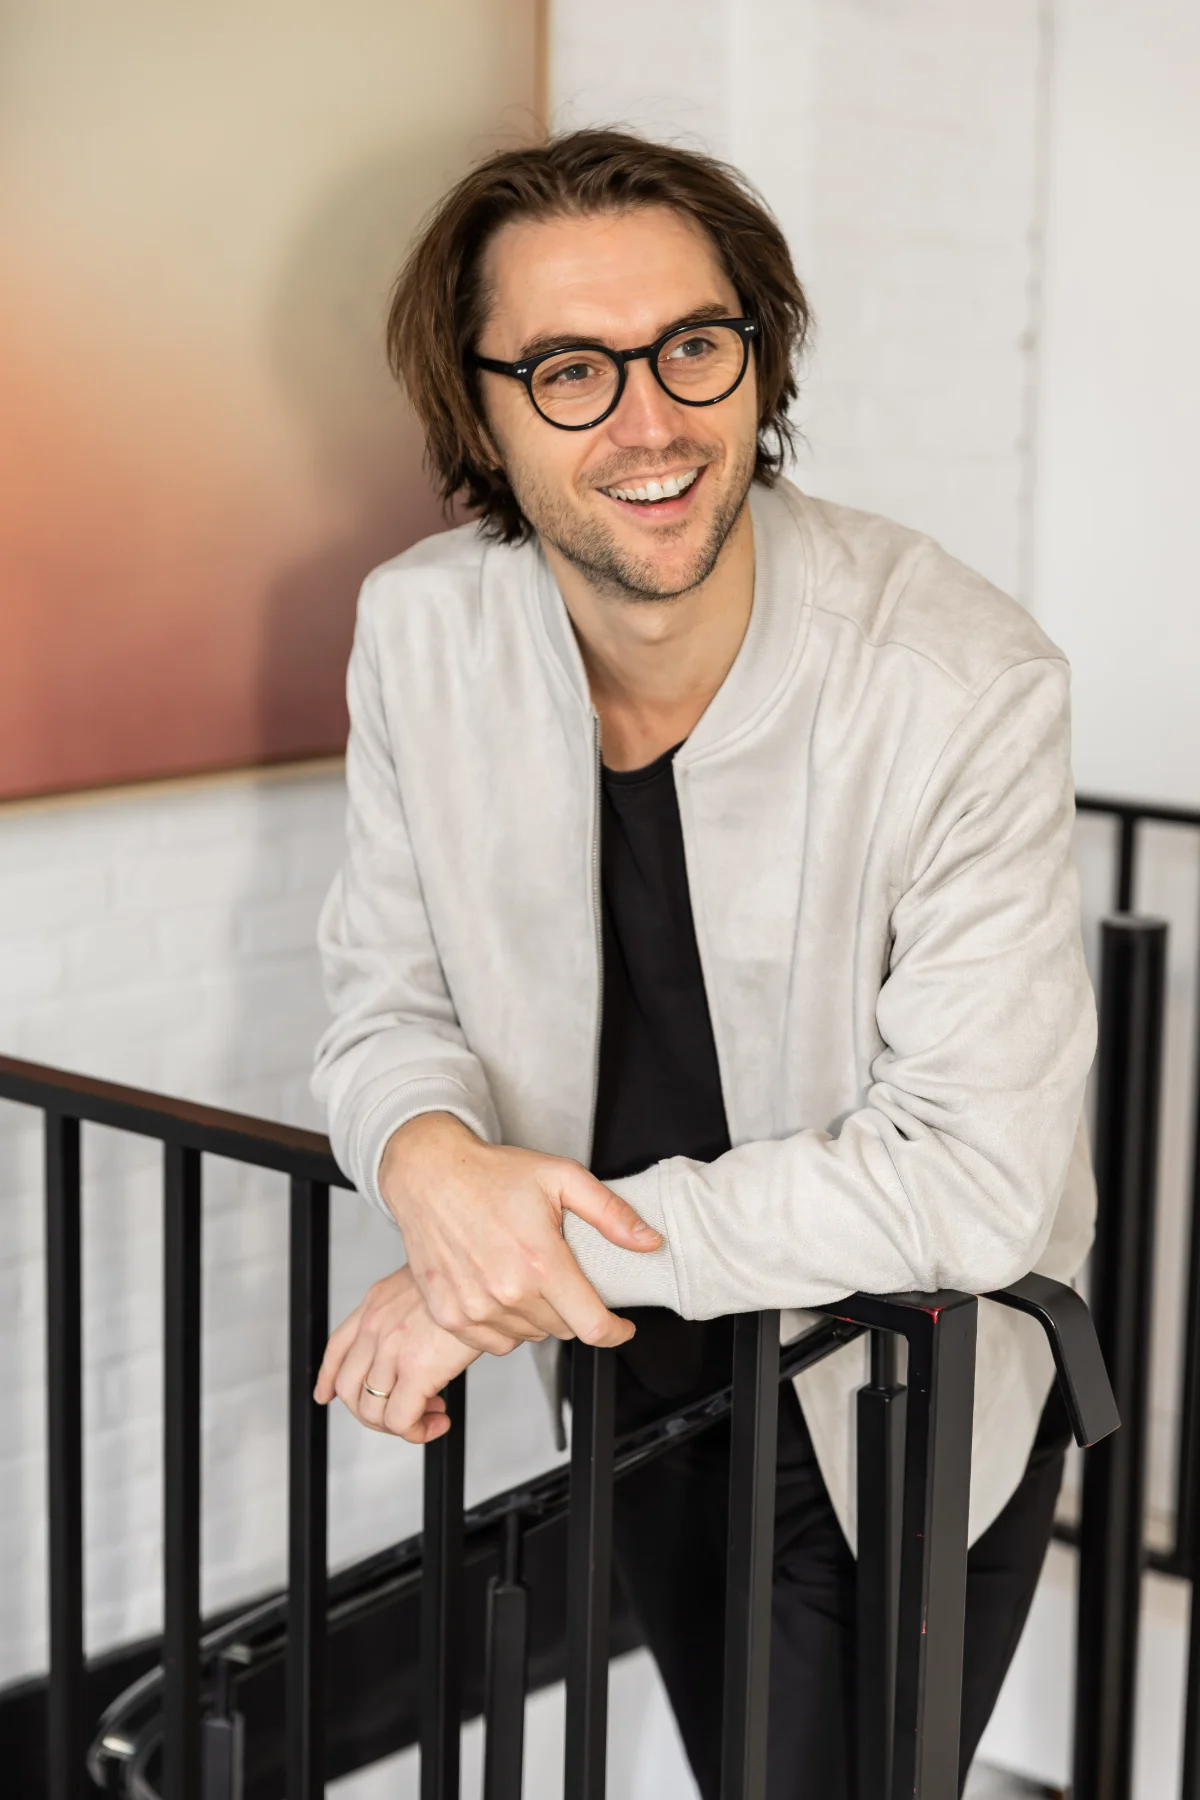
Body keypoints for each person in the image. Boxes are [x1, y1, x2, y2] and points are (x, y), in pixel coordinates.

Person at [310, 128, 1096, 1797]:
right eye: (570, 370)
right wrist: (429, 1163)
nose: (651, 421)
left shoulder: (960, 682)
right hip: (634, 1374)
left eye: (692, 346)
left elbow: (976, 1179)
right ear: (481, 411)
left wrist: (512, 1259)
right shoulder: (421, 634)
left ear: (760, 355)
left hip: (903, 1389)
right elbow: (388, 1000)